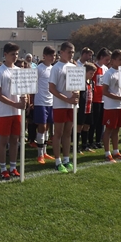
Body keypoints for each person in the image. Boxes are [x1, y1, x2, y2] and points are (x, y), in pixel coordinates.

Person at [0, 43, 26, 180]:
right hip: (5, 112)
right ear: (5, 54)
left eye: (17, 54)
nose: (15, 56)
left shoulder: (19, 70)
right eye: (12, 54)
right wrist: (14, 104)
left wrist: (24, 99)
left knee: (15, 140)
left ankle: (13, 167)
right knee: (3, 141)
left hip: (17, 112)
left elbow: (24, 89)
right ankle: (3, 168)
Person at [49, 42, 79, 173]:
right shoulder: (56, 68)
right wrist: (67, 99)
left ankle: (66, 159)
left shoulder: (74, 67)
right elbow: (52, 88)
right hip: (60, 105)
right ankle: (57, 161)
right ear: (61, 52)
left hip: (71, 105)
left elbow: (77, 85)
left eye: (72, 52)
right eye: (69, 52)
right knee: (58, 133)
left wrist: (76, 94)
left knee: (68, 133)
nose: (71, 54)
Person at [101, 50, 121, 163]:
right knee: (109, 129)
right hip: (111, 106)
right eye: (120, 59)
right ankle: (107, 153)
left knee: (117, 129)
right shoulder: (109, 73)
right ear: (113, 60)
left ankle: (116, 151)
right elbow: (105, 91)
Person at [33, 46, 56, 164]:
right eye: (50, 55)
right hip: (40, 102)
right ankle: (39, 154)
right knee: (41, 127)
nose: (53, 57)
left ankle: (45, 152)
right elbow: (33, 85)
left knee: (47, 127)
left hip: (50, 102)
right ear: (44, 56)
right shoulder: (39, 69)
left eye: (54, 55)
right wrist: (31, 101)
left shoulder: (53, 69)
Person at [89, 48, 110, 149]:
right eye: (106, 59)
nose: (108, 61)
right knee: (94, 121)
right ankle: (90, 141)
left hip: (103, 99)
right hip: (94, 99)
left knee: (101, 121)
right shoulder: (94, 67)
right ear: (101, 57)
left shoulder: (106, 69)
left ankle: (98, 140)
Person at [76, 62, 96, 153]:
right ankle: (76, 146)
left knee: (87, 126)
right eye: (90, 73)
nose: (92, 75)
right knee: (79, 126)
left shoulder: (91, 82)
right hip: (82, 107)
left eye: (93, 73)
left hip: (89, 107)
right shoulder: (80, 82)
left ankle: (85, 145)